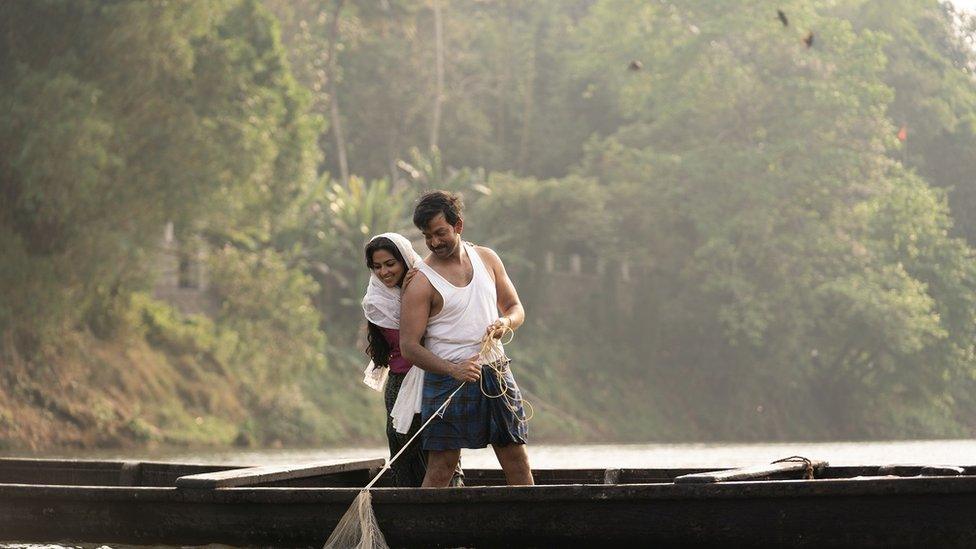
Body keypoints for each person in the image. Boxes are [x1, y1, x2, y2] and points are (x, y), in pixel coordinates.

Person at [400, 191, 534, 487]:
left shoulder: (487, 258)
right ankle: (423, 531)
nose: (435, 242)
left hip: (496, 371)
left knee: (515, 457)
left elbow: (515, 308)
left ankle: (533, 529)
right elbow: (408, 347)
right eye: (427, 236)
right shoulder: (421, 280)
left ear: (458, 225)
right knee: (442, 466)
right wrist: (452, 369)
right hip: (447, 378)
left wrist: (504, 322)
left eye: (441, 233)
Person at [361, 232, 462, 487]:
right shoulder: (376, 300)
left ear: (405, 260)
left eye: (390, 264)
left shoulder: (425, 285)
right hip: (400, 384)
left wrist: (411, 289)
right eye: (377, 266)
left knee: (442, 449)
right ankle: (410, 506)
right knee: (404, 448)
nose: (384, 272)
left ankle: (452, 502)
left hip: (434, 380)